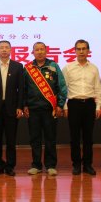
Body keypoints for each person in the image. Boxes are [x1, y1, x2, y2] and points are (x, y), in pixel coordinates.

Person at [24, 42, 67, 176]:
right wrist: (25, 105)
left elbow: (62, 86)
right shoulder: (28, 68)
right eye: (37, 50)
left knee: (50, 138)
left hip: (50, 109)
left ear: (46, 51)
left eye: (42, 49)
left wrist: (60, 105)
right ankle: (36, 165)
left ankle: (50, 165)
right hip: (33, 109)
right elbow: (23, 89)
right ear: (33, 52)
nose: (40, 52)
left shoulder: (53, 66)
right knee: (35, 139)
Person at [62, 39, 101, 176]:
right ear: (74, 51)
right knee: (74, 137)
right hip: (74, 104)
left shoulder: (94, 68)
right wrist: (65, 106)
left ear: (88, 51)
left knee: (88, 137)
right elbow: (63, 89)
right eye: (78, 49)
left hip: (90, 104)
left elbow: (98, 88)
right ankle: (76, 165)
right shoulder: (68, 68)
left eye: (84, 49)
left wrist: (98, 106)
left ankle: (87, 165)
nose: (81, 51)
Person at [0, 40, 24, 176]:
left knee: (11, 140)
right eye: (1, 47)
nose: (4, 50)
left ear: (11, 50)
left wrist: (19, 106)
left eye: (7, 47)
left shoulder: (18, 66)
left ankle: (10, 166)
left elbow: (21, 89)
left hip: (11, 108)